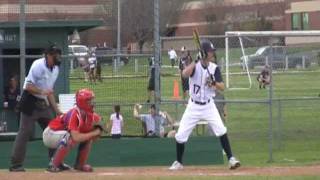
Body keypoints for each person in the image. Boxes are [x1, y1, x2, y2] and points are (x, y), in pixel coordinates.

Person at [169, 39, 240, 170]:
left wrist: (213, 83)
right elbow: (184, 74)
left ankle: (231, 159)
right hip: (193, 105)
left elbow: (222, 87)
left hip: (208, 105)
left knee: (221, 130)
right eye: (210, 51)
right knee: (180, 135)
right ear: (203, 53)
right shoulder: (194, 66)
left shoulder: (214, 68)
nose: (212, 53)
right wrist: (196, 60)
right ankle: (179, 162)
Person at [9, 45, 63, 172]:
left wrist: (57, 110)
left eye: (59, 55)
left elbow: (49, 92)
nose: (58, 57)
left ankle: (55, 162)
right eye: (55, 55)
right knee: (24, 132)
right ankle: (16, 165)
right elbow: (27, 86)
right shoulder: (38, 65)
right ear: (48, 55)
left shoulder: (55, 69)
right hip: (30, 101)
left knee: (53, 130)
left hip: (43, 103)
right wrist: (42, 91)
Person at [43, 89, 103, 172]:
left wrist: (97, 132)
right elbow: (76, 137)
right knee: (70, 137)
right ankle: (53, 165)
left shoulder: (92, 116)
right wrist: (94, 132)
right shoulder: (75, 113)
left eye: (92, 100)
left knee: (87, 137)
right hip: (50, 134)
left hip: (61, 135)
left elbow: (94, 139)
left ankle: (80, 165)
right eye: (89, 100)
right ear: (82, 102)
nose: (92, 102)